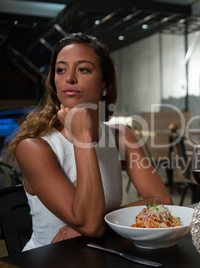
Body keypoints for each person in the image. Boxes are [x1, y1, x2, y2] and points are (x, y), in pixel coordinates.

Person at [5, 33, 173, 250]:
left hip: (103, 255)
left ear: (105, 83)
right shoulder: (33, 147)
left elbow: (162, 201)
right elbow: (91, 226)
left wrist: (100, 222)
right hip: (50, 261)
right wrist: (83, 137)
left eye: (83, 69)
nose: (69, 78)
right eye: (61, 69)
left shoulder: (120, 136)